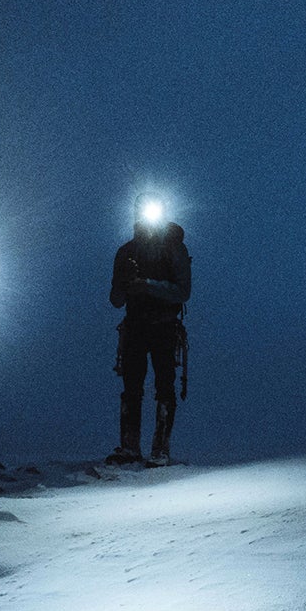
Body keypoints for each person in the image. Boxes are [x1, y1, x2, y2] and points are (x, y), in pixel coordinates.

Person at [106, 196, 191, 465]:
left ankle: (160, 449)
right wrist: (124, 280)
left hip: (164, 326)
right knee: (132, 386)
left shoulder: (173, 249)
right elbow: (115, 300)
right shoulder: (126, 252)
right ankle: (130, 447)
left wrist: (147, 285)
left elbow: (183, 292)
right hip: (135, 326)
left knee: (164, 385)